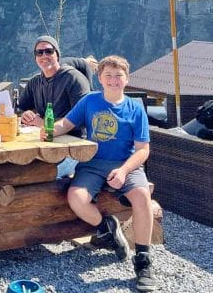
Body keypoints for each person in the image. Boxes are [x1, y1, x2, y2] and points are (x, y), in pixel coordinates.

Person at [44, 55, 157, 292]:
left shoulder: (135, 109)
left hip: (126, 163)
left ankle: (143, 261)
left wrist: (124, 171)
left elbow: (143, 150)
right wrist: (49, 131)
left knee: (142, 197)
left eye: (118, 76)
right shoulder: (89, 101)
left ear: (127, 79)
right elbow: (67, 124)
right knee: (76, 198)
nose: (113, 80)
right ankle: (107, 227)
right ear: (100, 78)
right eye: (108, 76)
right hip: (92, 163)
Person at [18, 35, 90, 134]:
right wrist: (24, 115)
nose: (44, 56)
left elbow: (83, 118)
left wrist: (45, 123)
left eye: (49, 51)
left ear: (57, 55)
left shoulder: (73, 79)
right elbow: (19, 108)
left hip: (73, 141)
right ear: (35, 58)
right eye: (39, 52)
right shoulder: (34, 82)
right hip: (45, 138)